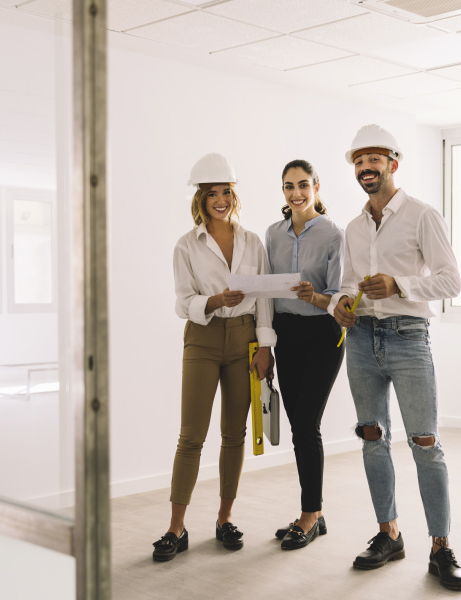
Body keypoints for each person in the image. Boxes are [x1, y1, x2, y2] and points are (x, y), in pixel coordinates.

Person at [330, 125, 461, 591]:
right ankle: (389, 534)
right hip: (362, 339)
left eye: (374, 159)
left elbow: (451, 281)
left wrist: (399, 285)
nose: (366, 167)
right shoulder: (352, 227)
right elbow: (349, 282)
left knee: (425, 444)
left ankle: (441, 546)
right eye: (359, 161)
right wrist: (343, 303)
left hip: (409, 336)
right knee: (372, 437)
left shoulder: (422, 216)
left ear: (393, 162)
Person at [152, 153, 274, 562]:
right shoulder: (186, 245)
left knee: (234, 434)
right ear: (200, 199)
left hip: (243, 341)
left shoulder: (252, 241)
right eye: (211, 194)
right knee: (191, 436)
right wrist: (215, 300)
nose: (220, 200)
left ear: (233, 195)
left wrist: (265, 347)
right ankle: (176, 527)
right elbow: (182, 302)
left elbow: (263, 300)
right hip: (202, 339)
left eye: (226, 192)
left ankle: (225, 519)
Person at [265, 159, 345, 550]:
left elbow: (340, 295)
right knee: (297, 425)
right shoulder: (273, 234)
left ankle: (310, 515)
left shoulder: (333, 233)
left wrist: (314, 295)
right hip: (286, 334)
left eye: (302, 185)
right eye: (288, 186)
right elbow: (266, 289)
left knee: (306, 425)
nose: (295, 193)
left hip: (322, 335)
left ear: (316, 186)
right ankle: (313, 512)